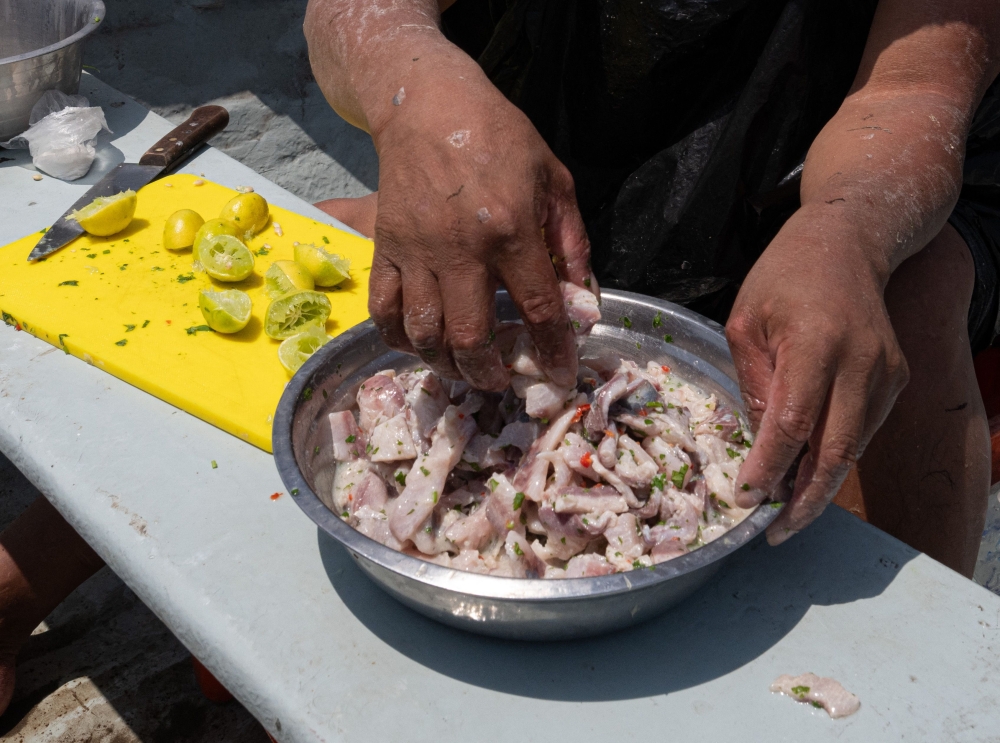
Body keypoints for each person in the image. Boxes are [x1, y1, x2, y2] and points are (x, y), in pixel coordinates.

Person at [304, 0, 1000, 572]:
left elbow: (915, 86)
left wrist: (847, 231)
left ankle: (899, 679)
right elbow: (356, 13)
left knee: (916, 291)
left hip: (836, 163)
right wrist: (412, 92)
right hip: (536, 145)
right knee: (330, 247)